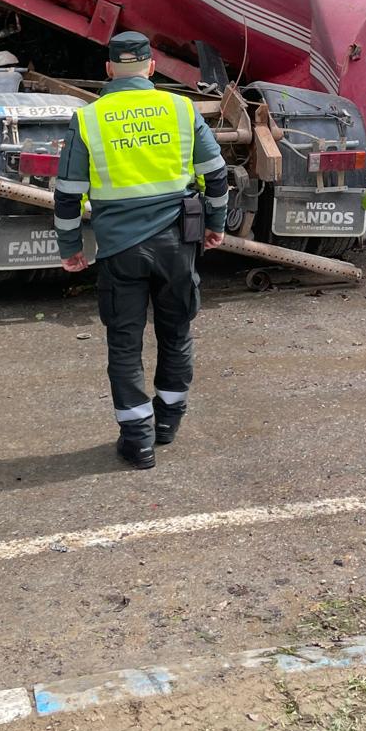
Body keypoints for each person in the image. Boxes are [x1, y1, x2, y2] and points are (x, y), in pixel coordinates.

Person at [54, 30, 229, 469]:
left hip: (119, 250)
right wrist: (215, 224)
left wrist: (71, 245)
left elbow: (68, 192)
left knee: (125, 344)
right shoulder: (181, 109)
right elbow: (217, 173)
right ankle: (168, 424)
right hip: (176, 244)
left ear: (109, 69)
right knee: (176, 333)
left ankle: (139, 442)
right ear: (152, 67)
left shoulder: (90, 118)